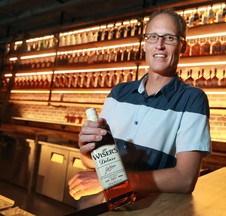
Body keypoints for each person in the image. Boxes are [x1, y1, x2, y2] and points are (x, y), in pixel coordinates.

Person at [68, 8, 211, 204]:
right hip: (103, 205)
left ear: (182, 46)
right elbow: (94, 163)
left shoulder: (192, 99)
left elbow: (184, 180)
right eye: (153, 37)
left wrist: (111, 181)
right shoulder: (118, 93)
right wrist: (87, 150)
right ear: (145, 44)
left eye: (169, 38)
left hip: (149, 209)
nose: (159, 45)